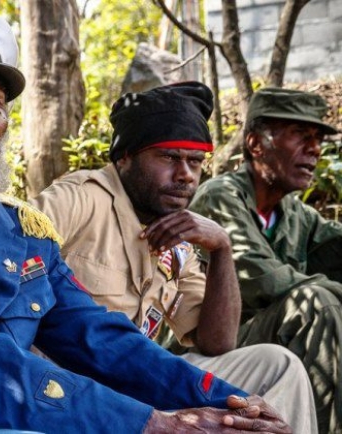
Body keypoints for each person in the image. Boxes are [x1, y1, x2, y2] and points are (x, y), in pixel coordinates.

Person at [0, 4, 290, 433]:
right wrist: (153, 423)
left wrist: (235, 404)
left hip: (10, 417)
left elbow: (99, 338)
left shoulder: (22, 230)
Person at [32, 82, 317, 433]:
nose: (185, 174)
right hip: (70, 386)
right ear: (125, 156)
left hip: (140, 382)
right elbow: (8, 265)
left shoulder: (177, 239)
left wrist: (222, 249)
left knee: (278, 364)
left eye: (195, 161)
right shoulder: (80, 198)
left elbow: (216, 343)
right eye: (168, 158)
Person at [189, 87, 342, 433]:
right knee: (314, 302)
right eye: (301, 136)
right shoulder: (219, 196)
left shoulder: (295, 213)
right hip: (213, 351)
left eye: (318, 139)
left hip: (266, 346)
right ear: (256, 144)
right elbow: (261, 279)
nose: (315, 149)